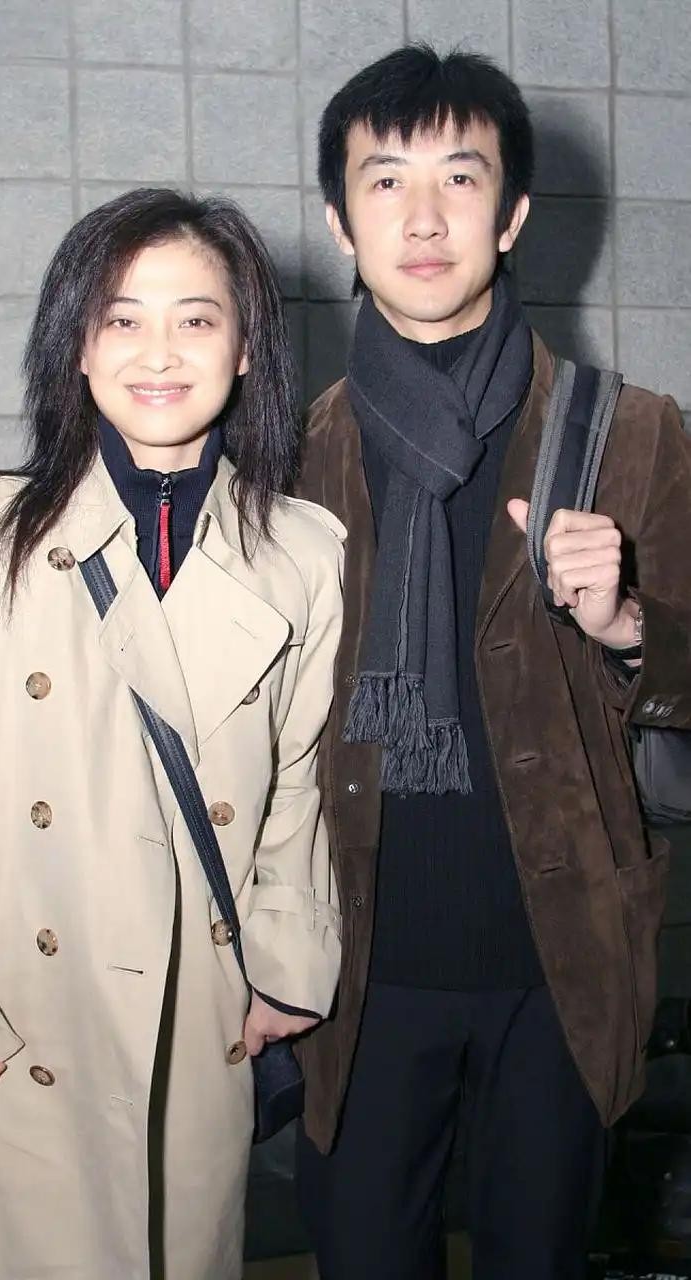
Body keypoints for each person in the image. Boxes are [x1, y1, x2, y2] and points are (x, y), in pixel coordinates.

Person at [0, 189, 344, 1280]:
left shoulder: (304, 554)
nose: (157, 352)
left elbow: (295, 790)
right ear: (75, 346)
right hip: (1, 1027)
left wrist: (286, 965)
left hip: (190, 1029)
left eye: (196, 319)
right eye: (121, 318)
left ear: (247, 348)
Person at [285, 45, 691, 1280]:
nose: (422, 218)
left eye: (459, 179)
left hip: (559, 965)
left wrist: (628, 625)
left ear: (511, 214)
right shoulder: (292, 455)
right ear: (339, 219)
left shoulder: (633, 433)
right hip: (354, 968)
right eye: (385, 181)